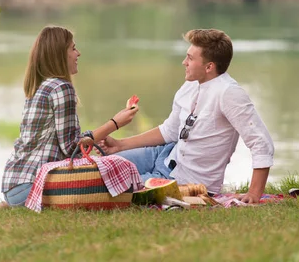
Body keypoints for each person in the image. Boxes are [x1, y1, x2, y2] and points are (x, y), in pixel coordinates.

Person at [100, 28, 275, 204]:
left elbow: (261, 142)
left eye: (190, 58)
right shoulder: (191, 84)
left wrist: (254, 193)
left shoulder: (229, 93)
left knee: (103, 186)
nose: (184, 62)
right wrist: (119, 145)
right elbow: (170, 131)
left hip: (186, 182)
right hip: (163, 154)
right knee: (100, 168)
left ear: (209, 67)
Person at [0, 25, 139, 210]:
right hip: (32, 186)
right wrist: (115, 123)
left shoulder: (39, 87)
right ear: (59, 55)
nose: (78, 53)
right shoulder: (62, 88)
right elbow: (71, 147)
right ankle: (19, 205)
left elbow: (61, 143)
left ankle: (9, 205)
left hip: (13, 184)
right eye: (73, 48)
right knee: (117, 171)